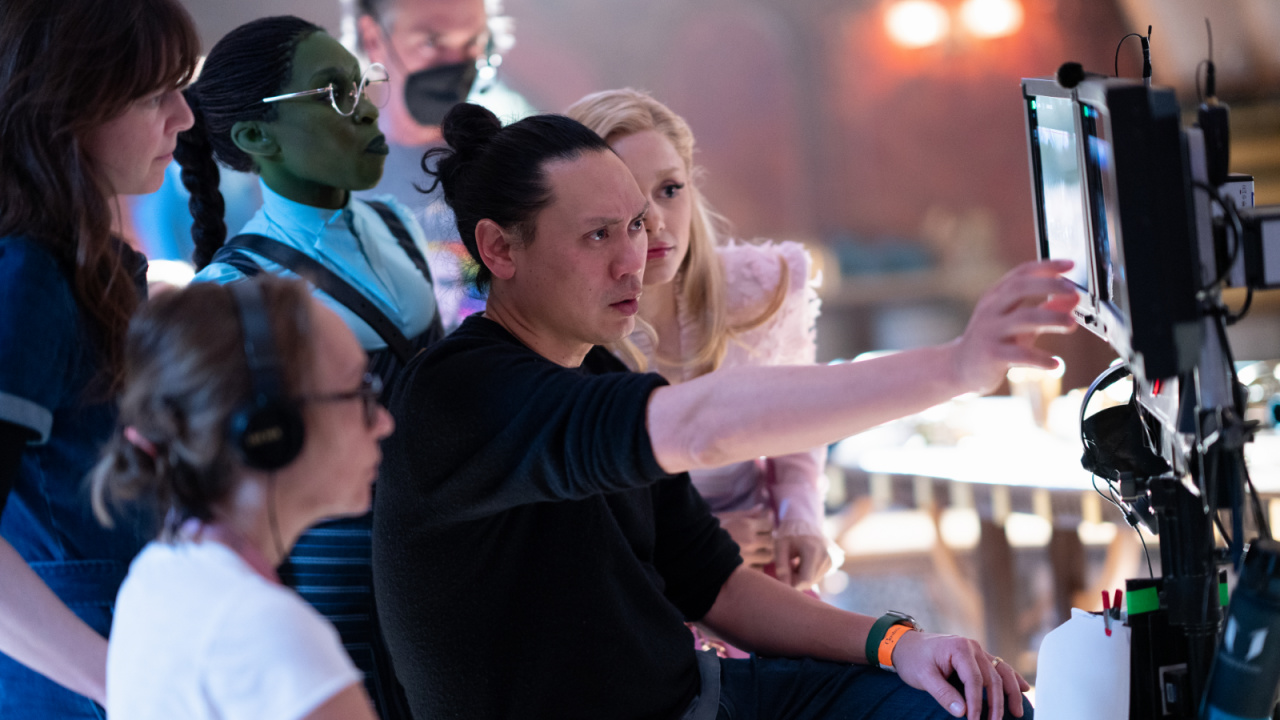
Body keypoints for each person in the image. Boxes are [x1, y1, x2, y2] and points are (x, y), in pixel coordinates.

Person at [375, 103, 1075, 719]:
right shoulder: (459, 394)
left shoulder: (596, 362)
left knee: (977, 702)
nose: (638, 257)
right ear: (499, 248)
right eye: (598, 236)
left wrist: (899, 645)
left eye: (639, 224)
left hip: (710, 694)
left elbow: (717, 585)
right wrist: (956, 366)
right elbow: (701, 425)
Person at [175, 15, 443, 719]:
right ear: (256, 138)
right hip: (340, 592)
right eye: (332, 94)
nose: (362, 111)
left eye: (362, 86)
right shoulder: (232, 291)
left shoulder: (395, 225)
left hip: (447, 561)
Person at [0, 0, 198, 715]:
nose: (184, 116)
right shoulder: (26, 278)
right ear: (66, 109)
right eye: (154, 95)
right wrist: (122, 683)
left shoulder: (89, 270)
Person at [568, 88, 831, 596]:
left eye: (670, 189)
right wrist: (698, 545)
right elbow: (576, 522)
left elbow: (798, 425)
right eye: (627, 200)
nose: (658, 222)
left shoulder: (763, 288)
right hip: (632, 591)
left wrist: (800, 517)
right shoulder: (564, 330)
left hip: (760, 570)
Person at [93, 276, 392, 720]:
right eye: (360, 394)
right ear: (270, 430)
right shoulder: (263, 632)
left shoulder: (157, 574)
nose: (384, 423)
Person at [356, 0, 536, 329]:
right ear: (373, 39)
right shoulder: (331, 172)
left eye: (471, 43)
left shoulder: (518, 155)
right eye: (432, 42)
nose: (456, 64)